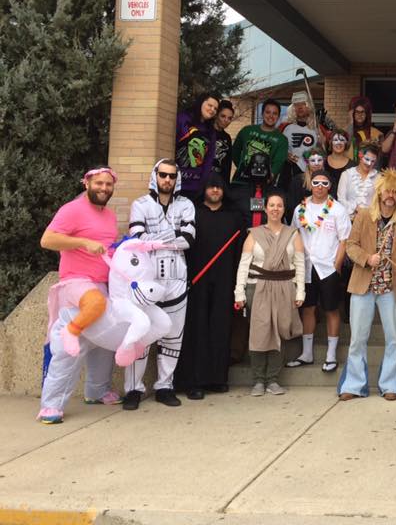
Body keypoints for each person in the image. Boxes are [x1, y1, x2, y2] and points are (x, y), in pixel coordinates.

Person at [37, 167, 120, 424]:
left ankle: (97, 390)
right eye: (99, 183)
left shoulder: (110, 216)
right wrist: (82, 242)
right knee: (71, 344)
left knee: (106, 336)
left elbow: (105, 249)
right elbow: (47, 240)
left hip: (102, 282)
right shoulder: (72, 210)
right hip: (76, 282)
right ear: (87, 184)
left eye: (108, 184)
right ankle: (51, 405)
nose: (104, 188)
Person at [339, 171, 396, 400]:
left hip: (391, 288)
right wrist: (367, 258)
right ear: (379, 193)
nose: (390, 195)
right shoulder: (364, 216)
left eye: (395, 192)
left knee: (394, 338)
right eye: (387, 191)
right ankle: (353, 386)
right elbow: (351, 245)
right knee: (357, 338)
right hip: (363, 285)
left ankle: (391, 385)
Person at [123, 159, 196, 410]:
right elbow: (136, 239)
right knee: (141, 335)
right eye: (163, 175)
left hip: (177, 280)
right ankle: (133, 389)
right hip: (147, 280)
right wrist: (172, 236)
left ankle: (165, 386)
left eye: (172, 176)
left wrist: (153, 239)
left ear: (177, 179)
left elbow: (188, 239)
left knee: (173, 337)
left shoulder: (186, 205)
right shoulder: (140, 204)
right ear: (155, 176)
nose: (167, 180)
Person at [174, 172, 244, 399]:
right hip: (197, 279)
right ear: (204, 189)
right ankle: (194, 381)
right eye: (211, 186)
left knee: (220, 328)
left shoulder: (234, 217)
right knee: (197, 328)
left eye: (219, 186)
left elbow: (240, 252)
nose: (215, 190)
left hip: (225, 280)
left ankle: (217, 378)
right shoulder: (193, 214)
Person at [234, 192, 305, 396]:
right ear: (265, 209)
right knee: (260, 333)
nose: (275, 209)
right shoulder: (254, 234)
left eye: (279, 205)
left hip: (285, 286)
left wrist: (300, 291)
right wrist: (239, 292)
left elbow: (300, 264)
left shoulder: (293, 234)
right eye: (271, 205)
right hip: (257, 287)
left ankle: (273, 379)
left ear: (284, 209)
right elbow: (244, 265)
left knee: (280, 332)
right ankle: (258, 380)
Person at [290, 170, 352, 372]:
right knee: (308, 308)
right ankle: (306, 353)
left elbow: (344, 239)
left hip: (328, 267)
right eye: (316, 182)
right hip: (306, 266)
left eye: (324, 183)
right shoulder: (300, 208)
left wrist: (337, 266)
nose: (319, 186)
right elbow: (294, 235)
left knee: (331, 309)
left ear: (330, 186)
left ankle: (331, 355)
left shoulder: (338, 209)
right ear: (310, 184)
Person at [231, 99, 287, 186]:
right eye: (267, 112)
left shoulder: (282, 139)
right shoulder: (247, 131)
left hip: (264, 184)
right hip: (241, 181)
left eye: (275, 113)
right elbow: (235, 151)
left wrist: (268, 177)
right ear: (262, 113)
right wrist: (242, 168)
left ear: (278, 116)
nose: (271, 116)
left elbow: (278, 163)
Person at [175, 92, 220, 200]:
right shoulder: (182, 118)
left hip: (194, 187)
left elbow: (209, 159)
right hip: (175, 183)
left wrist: (202, 184)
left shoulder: (211, 131)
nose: (212, 110)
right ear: (201, 102)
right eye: (210, 105)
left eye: (215, 108)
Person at [278, 91, 321, 190]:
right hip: (289, 172)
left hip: (310, 172)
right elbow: (277, 148)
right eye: (296, 105)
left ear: (308, 106)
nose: (300, 107)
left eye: (303, 104)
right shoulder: (285, 127)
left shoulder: (317, 128)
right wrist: (285, 154)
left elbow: (324, 150)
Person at [338, 143, 381, 219]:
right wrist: (354, 208)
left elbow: (379, 201)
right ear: (360, 155)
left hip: (370, 219)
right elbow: (341, 199)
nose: (369, 163)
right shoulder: (346, 175)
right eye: (367, 159)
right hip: (348, 219)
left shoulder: (379, 177)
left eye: (373, 161)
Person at [347, 95, 383, 162]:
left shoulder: (376, 133)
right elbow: (346, 144)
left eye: (362, 112)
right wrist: (351, 122)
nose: (360, 115)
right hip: (350, 166)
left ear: (367, 113)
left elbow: (379, 156)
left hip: (369, 166)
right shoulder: (345, 131)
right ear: (352, 113)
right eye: (357, 112)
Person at [323, 128, 354, 196]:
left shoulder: (353, 165)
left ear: (346, 143)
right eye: (335, 140)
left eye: (342, 140)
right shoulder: (322, 162)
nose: (339, 143)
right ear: (330, 142)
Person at [211, 100, 235, 179]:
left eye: (229, 118)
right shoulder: (205, 131)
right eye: (223, 116)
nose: (226, 120)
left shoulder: (227, 138)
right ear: (216, 115)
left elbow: (227, 165)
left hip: (219, 180)